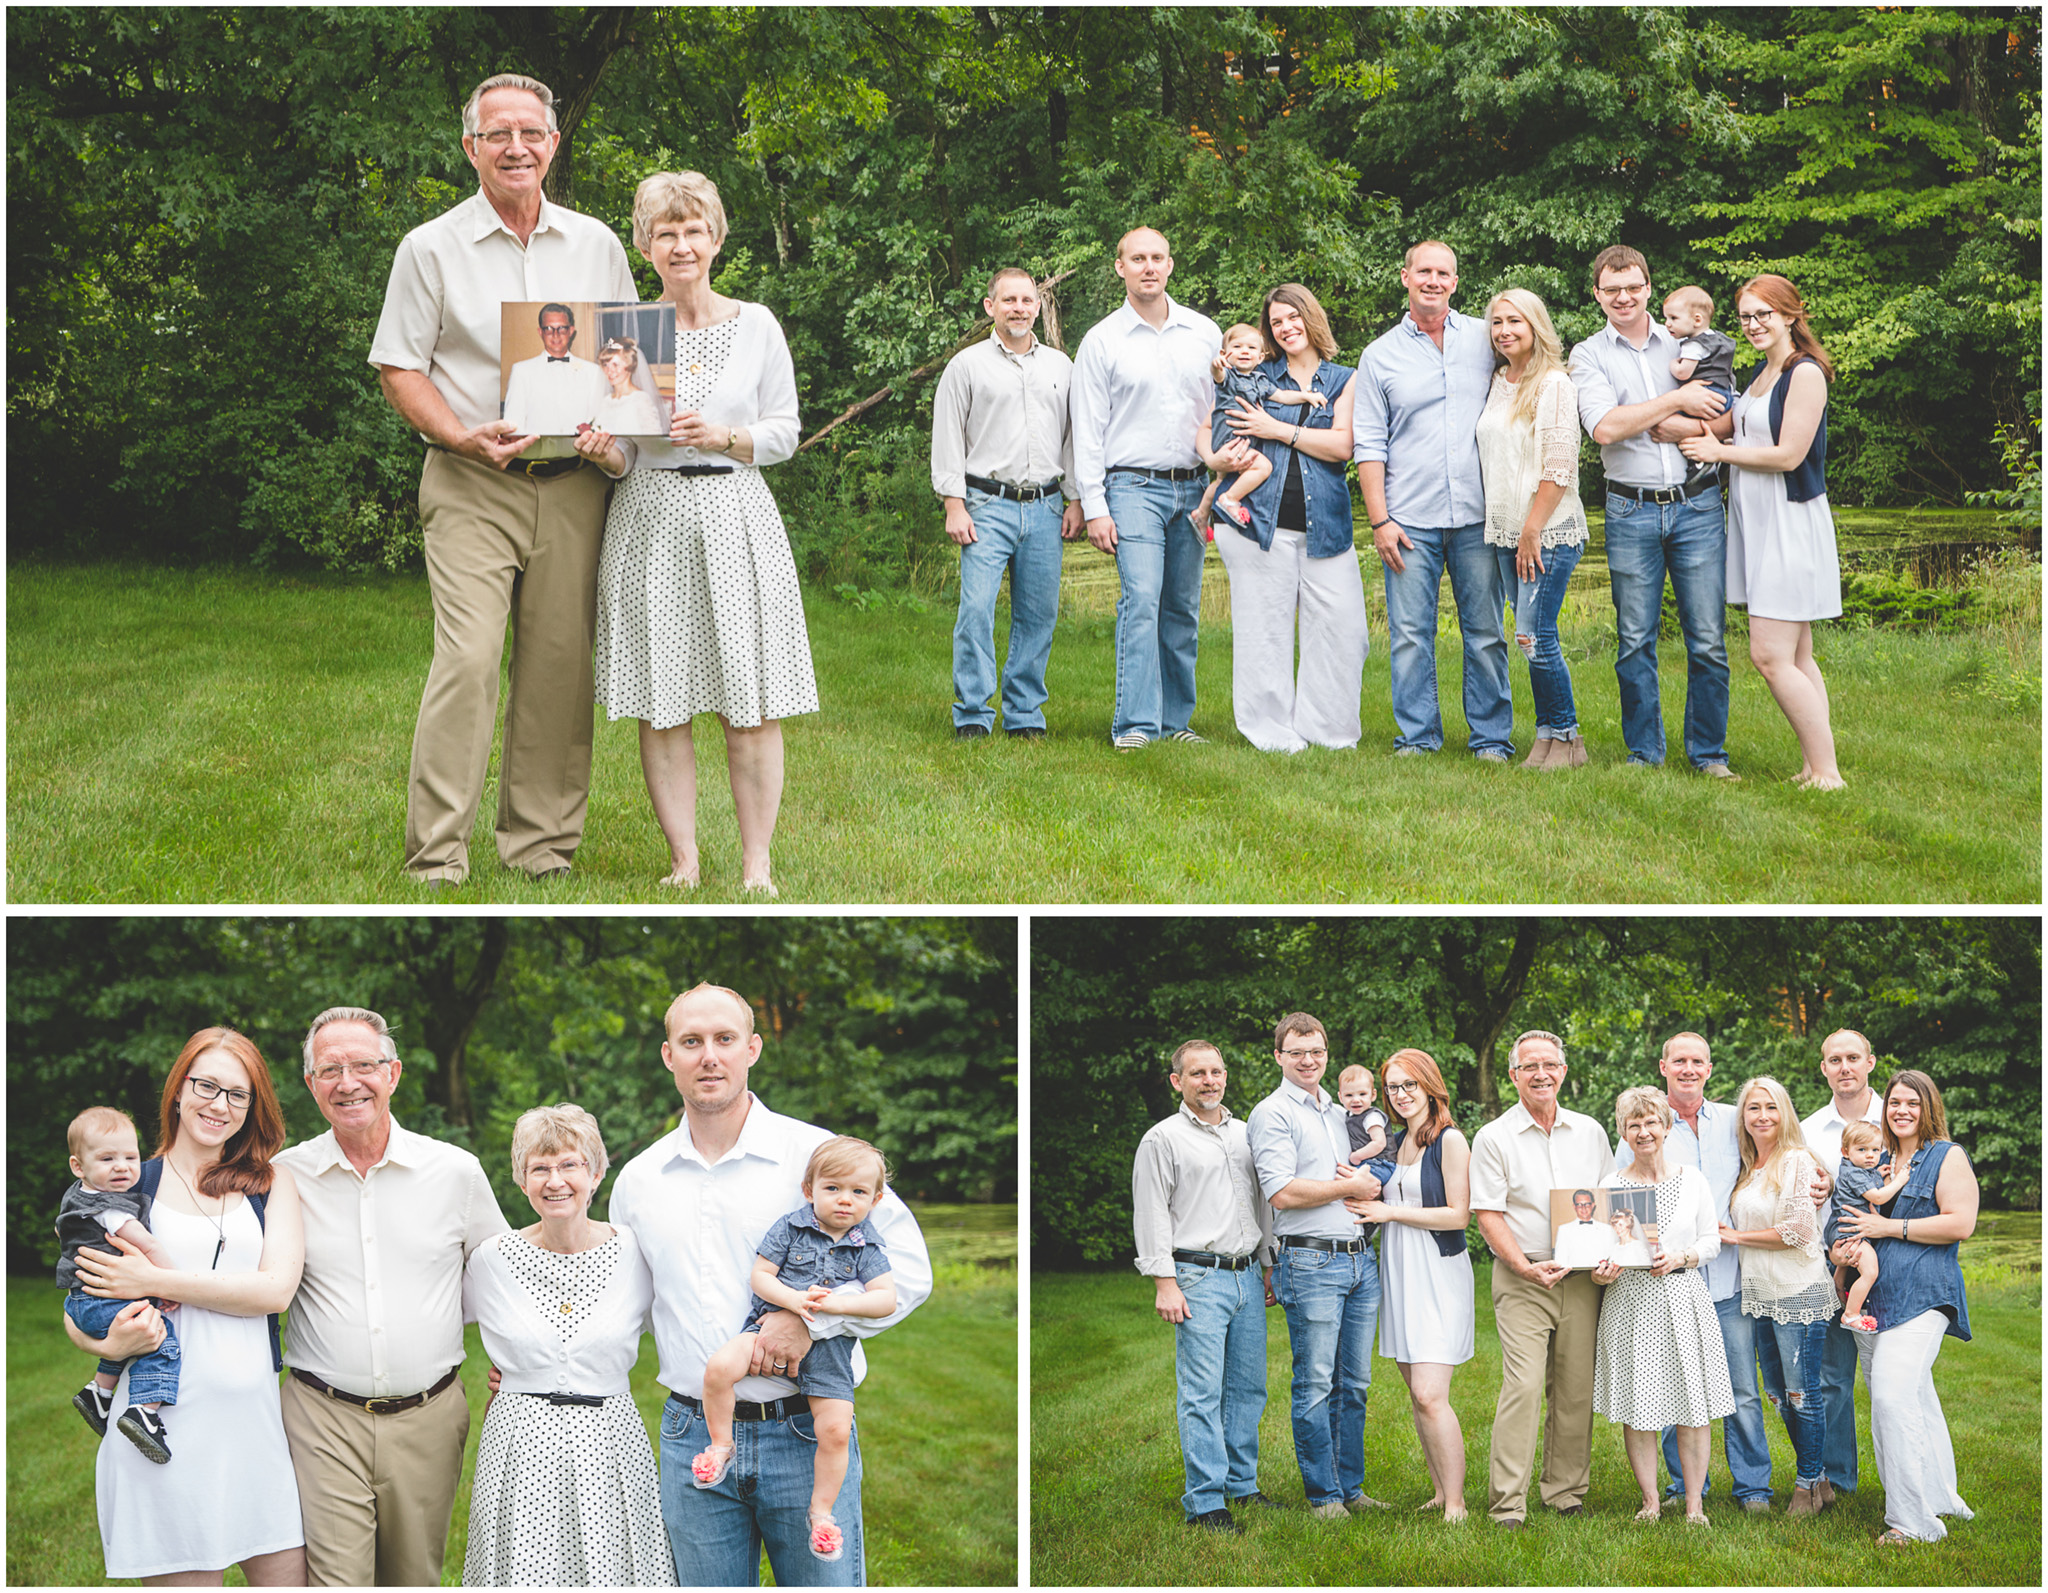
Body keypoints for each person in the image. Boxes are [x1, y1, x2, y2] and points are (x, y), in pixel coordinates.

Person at [368, 73, 638, 886]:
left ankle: (540, 846)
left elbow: (625, 359)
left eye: (530, 132)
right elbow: (399, 366)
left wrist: (614, 432)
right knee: (470, 656)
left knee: (559, 663)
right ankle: (436, 855)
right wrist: (457, 432)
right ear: (471, 148)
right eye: (497, 135)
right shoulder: (430, 246)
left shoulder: (597, 244)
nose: (515, 147)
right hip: (471, 479)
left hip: (575, 482)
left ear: (554, 143)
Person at [608, 982, 933, 1587]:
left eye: (725, 1040)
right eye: (692, 1041)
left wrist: (815, 1320)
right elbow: (624, 1305)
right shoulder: (639, 1179)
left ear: (752, 1049)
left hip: (805, 1429)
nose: (710, 1056)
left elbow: (909, 1270)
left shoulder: (816, 1156)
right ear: (667, 1055)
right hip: (694, 1434)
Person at [580, 171, 814, 895]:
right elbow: (625, 450)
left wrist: (725, 435)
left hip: (737, 517)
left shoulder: (758, 324)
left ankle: (757, 867)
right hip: (649, 520)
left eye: (693, 230)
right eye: (665, 232)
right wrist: (605, 450)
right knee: (663, 699)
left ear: (716, 237)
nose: (681, 245)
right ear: (645, 244)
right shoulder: (624, 332)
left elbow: (785, 431)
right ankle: (684, 860)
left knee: (750, 700)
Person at [273, 1005, 511, 1587]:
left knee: (414, 1577)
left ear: (393, 1074)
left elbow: (505, 1280)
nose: (348, 1082)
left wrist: (518, 1360)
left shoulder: (455, 1172)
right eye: (330, 1070)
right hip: (321, 1415)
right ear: (310, 1084)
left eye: (363, 1065)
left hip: (429, 1416)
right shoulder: (283, 1176)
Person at [65, 1029, 308, 1585]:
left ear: (252, 1107)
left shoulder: (270, 1183)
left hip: (255, 1434)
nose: (219, 1105)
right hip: (156, 1435)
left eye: (237, 1094)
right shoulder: (128, 1186)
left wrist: (155, 1277)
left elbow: (275, 1291)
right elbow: (79, 1296)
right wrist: (105, 1344)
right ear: (178, 1090)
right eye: (206, 1085)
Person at [461, 1104, 672, 1586]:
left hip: (610, 1438)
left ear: (596, 1173)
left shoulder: (635, 1251)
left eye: (569, 1165)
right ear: (521, 1180)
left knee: (613, 1566)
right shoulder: (491, 1259)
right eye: (540, 1168)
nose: (555, 1181)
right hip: (520, 1442)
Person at [1567, 245, 1735, 777]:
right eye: (1611, 289)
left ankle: (1708, 754)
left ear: (1647, 287)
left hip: (1699, 505)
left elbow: (1728, 417)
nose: (1623, 297)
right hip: (1630, 508)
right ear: (1597, 294)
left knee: (1706, 639)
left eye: (1633, 287)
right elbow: (1605, 427)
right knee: (1634, 639)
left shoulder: (1689, 339)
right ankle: (1645, 753)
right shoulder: (1588, 354)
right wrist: (1677, 403)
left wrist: (1676, 424)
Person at [693, 1137, 897, 1564]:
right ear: (810, 1189)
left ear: (875, 1199)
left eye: (858, 1193)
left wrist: (835, 1303)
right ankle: (719, 1446)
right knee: (718, 1368)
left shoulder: (866, 1247)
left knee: (837, 1429)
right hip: (766, 1327)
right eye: (833, 1189)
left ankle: (821, 1514)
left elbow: (885, 1301)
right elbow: (761, 1277)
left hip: (830, 1353)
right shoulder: (790, 1227)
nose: (845, 1201)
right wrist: (792, 1301)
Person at [1678, 274, 1846, 789]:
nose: (1752, 324)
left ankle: (1829, 773)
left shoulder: (1805, 373)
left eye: (1763, 315)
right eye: (1746, 316)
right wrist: (1666, 418)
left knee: (1769, 655)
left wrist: (1718, 453)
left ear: (1791, 315)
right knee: (1797, 655)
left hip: (1789, 521)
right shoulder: (1761, 373)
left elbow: (1788, 453)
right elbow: (1725, 425)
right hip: (1758, 520)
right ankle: (1814, 765)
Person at [1354, 240, 1509, 761]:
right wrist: (1380, 521)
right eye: (1425, 271)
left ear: (1455, 283)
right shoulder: (1379, 356)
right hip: (1409, 519)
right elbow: (1369, 443)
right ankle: (1418, 738)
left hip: (1478, 516)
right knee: (1410, 636)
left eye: (1444, 273)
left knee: (1486, 633)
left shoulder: (1486, 341)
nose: (1434, 281)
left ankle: (1490, 738)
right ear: (1405, 277)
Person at [1071, 226, 1224, 750]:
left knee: (1181, 606)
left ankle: (1174, 721)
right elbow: (1088, 429)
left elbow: (1221, 413)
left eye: (1157, 257)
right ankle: (1134, 724)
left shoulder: (1205, 333)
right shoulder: (1102, 340)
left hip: (1195, 489)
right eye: (1138, 258)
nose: (1148, 267)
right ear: (1121, 268)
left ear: (1171, 265)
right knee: (1142, 597)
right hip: (1132, 486)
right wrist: (1094, 506)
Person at [1615, 1032, 1775, 1512]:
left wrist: (1818, 1178)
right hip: (1660, 1287)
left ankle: (1752, 1488)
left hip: (1725, 1279)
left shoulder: (1734, 1120)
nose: (1688, 1068)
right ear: (1663, 1066)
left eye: (1697, 1061)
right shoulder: (1645, 1126)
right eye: (1679, 1060)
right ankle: (1683, 1489)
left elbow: (1778, 1151)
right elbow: (1621, 1209)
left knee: (1741, 1389)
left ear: (1709, 1068)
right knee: (1665, 1387)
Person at [1208, 285, 1370, 753]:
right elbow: (1209, 427)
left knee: (1343, 631)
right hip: (1257, 521)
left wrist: (1275, 428)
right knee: (1264, 629)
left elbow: (1342, 446)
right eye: (1276, 322)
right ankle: (1270, 732)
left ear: (1311, 318)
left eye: (1293, 317)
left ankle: (1329, 731)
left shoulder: (1343, 379)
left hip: (1327, 525)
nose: (1285, 327)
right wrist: (1217, 458)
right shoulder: (1257, 371)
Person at [928, 266, 1084, 741]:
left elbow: (1074, 438)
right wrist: (954, 504)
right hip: (986, 503)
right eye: (1009, 300)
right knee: (976, 609)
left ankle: (1024, 716)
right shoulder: (967, 366)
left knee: (1038, 614)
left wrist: (1075, 499)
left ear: (1038, 306)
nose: (1019, 308)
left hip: (1045, 506)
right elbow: (948, 436)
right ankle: (973, 713)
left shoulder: (1061, 366)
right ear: (990, 306)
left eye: (1027, 300)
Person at [1131, 1039, 1278, 1534]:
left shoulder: (1245, 1136)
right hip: (1196, 1276)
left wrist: (1268, 1264)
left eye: (1216, 1071)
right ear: (1178, 1081)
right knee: (1202, 1392)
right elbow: (1150, 1214)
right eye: (1197, 1073)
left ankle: (1242, 1486)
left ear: (1226, 1076)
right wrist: (1164, 1283)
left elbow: (1262, 1205)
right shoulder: (1162, 1139)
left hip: (1246, 1276)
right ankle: (1205, 1501)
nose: (1209, 1081)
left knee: (1247, 1388)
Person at [1469, 1029, 1614, 1528]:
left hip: (1581, 1276)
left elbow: (1611, 1206)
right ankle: (1508, 1501)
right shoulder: (1493, 1137)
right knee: (1524, 1386)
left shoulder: (1591, 1132)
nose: (1540, 1074)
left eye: (1549, 1065)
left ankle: (1565, 1489)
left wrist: (1610, 1255)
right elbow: (1488, 1214)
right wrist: (1523, 1267)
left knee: (1575, 1389)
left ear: (1563, 1072)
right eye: (1529, 1066)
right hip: (1523, 1275)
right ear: (1513, 1075)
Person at [1245, 1012, 1387, 1519]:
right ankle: (1323, 1494)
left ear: (1327, 1054)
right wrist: (1351, 1187)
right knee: (1315, 1382)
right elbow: (1281, 1193)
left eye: (1317, 1052)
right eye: (1298, 1052)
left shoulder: (1334, 1109)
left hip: (1358, 1261)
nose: (1309, 1061)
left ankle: (1351, 1486)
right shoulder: (1273, 1113)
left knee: (1355, 1384)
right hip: (1309, 1261)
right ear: (1279, 1056)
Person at [1836, 1069, 1978, 1545]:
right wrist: (1843, 1251)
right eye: (1895, 1102)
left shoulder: (1946, 1156)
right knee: (1915, 1397)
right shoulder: (1877, 1159)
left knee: (1893, 1399)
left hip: (1923, 1293)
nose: (1901, 1110)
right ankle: (1941, 1497)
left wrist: (1889, 1230)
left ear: (1929, 1108)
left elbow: (1961, 1223)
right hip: (1874, 1298)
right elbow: (1852, 1220)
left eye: (1912, 1103)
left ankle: (1913, 1523)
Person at [1590, 1086, 1733, 1527]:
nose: (1643, 1131)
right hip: (1630, 1302)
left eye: (1652, 1121)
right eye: (1634, 1124)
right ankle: (1651, 1501)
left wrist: (1682, 1257)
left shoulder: (1692, 1179)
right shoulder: (1611, 1186)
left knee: (1693, 1406)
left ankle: (1694, 1506)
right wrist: (1601, 1273)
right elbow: (1597, 1252)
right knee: (1639, 1405)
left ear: (1668, 1127)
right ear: (1624, 1132)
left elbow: (1711, 1239)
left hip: (1684, 1298)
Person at [1343, 1049, 1475, 1521]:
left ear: (1430, 1086)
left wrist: (1389, 1211)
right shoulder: (1396, 1143)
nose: (1400, 1095)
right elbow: (1376, 1191)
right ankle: (1440, 1490)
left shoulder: (1450, 1140)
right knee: (1415, 1395)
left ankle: (1457, 1505)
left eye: (1409, 1085)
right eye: (1393, 1087)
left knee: (1429, 1393)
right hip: (1399, 1274)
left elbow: (1460, 1213)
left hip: (1438, 1275)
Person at [1477, 289, 1591, 768]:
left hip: (1546, 531)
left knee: (1536, 637)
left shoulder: (1554, 384)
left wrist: (1531, 531)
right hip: (1506, 530)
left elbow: (1559, 466)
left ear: (1536, 326)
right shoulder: (1500, 379)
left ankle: (1568, 737)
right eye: (1497, 322)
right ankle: (1547, 738)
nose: (1505, 331)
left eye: (1515, 322)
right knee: (1529, 638)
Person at [1722, 1076, 1835, 1516]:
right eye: (1753, 1108)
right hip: (1760, 1295)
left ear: (1784, 1112)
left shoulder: (1796, 1161)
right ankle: (1821, 1479)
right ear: (1743, 1117)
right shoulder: (1751, 1167)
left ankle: (1806, 1485)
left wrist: (1736, 1237)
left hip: (1798, 1293)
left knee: (1803, 1394)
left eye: (1771, 1107)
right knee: (1778, 1393)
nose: (1762, 1115)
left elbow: (1800, 1231)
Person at [58, 1106, 184, 1457]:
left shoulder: (76, 1195)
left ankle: (98, 1393)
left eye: (131, 1156)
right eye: (107, 1158)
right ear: (78, 1166)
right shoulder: (113, 1209)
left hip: (82, 1299)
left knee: (128, 1334)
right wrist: (167, 1285)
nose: (122, 1166)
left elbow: (61, 1230)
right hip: (102, 1300)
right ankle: (145, 1410)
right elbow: (148, 1244)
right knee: (157, 1337)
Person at [1192, 322, 1326, 532]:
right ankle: (1230, 499)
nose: (1244, 351)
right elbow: (1217, 375)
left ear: (1260, 357)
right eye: (1237, 347)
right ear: (1224, 353)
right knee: (1263, 466)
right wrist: (1216, 365)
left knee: (1220, 479)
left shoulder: (1260, 380)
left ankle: (1201, 513)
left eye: (1251, 348)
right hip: (1231, 439)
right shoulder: (1229, 377)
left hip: (1240, 440)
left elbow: (1282, 396)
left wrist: (1306, 396)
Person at [1829, 1121, 1912, 1333]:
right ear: (1845, 1152)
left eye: (1876, 1150)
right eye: (1862, 1150)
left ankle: (1838, 1284)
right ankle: (1851, 1314)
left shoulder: (1863, 1170)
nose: (1870, 1156)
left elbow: (1875, 1193)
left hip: (1845, 1227)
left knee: (1853, 1261)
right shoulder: (1854, 1174)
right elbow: (1878, 1198)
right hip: (1849, 1230)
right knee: (1870, 1270)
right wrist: (1900, 1180)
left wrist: (1879, 1176)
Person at [1661, 287, 1739, 496]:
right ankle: (1724, 445)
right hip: (1724, 394)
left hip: (1705, 394)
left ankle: (1698, 461)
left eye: (1673, 318)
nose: (1667, 323)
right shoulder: (1718, 339)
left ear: (1697, 320)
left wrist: (1673, 364)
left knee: (1676, 420)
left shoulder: (1693, 345)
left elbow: (1684, 373)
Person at [502, 303, 613, 436]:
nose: (555, 335)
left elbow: (599, 420)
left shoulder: (592, 372)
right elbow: (513, 424)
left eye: (561, 328)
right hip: (535, 453)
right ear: (540, 332)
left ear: (571, 331)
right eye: (549, 329)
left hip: (579, 454)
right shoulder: (521, 371)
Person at [592, 338, 667, 436]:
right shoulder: (606, 400)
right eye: (605, 365)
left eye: (615, 365)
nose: (609, 371)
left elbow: (653, 439)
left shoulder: (640, 399)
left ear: (630, 365)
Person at [1336, 1064, 1389, 1167]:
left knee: (1354, 1181)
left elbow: (1379, 1143)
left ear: (1373, 1095)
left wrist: (1357, 1156)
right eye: (1349, 1095)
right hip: (1367, 1163)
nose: (1356, 1100)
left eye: (1362, 1094)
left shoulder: (1372, 1117)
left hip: (1380, 1163)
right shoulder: (1346, 1116)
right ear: (1341, 1098)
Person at [1551, 1190, 1615, 1270]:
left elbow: (1612, 1257)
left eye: (1587, 1204)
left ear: (1592, 1205)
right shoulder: (1564, 1230)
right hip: (1573, 1277)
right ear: (1574, 1206)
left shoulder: (1607, 1229)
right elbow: (1560, 1260)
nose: (1583, 1208)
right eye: (1579, 1205)